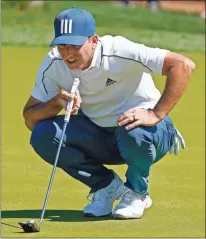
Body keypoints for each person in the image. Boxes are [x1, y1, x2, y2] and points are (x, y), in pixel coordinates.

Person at [23, 7, 195, 219]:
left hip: (148, 134)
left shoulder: (119, 50)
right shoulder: (54, 63)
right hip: (101, 136)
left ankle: (137, 192)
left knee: (133, 130)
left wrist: (156, 114)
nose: (67, 54)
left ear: (93, 40)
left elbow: (183, 65)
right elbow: (30, 120)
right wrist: (56, 102)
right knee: (43, 134)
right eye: (61, 46)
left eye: (74, 45)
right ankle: (106, 186)